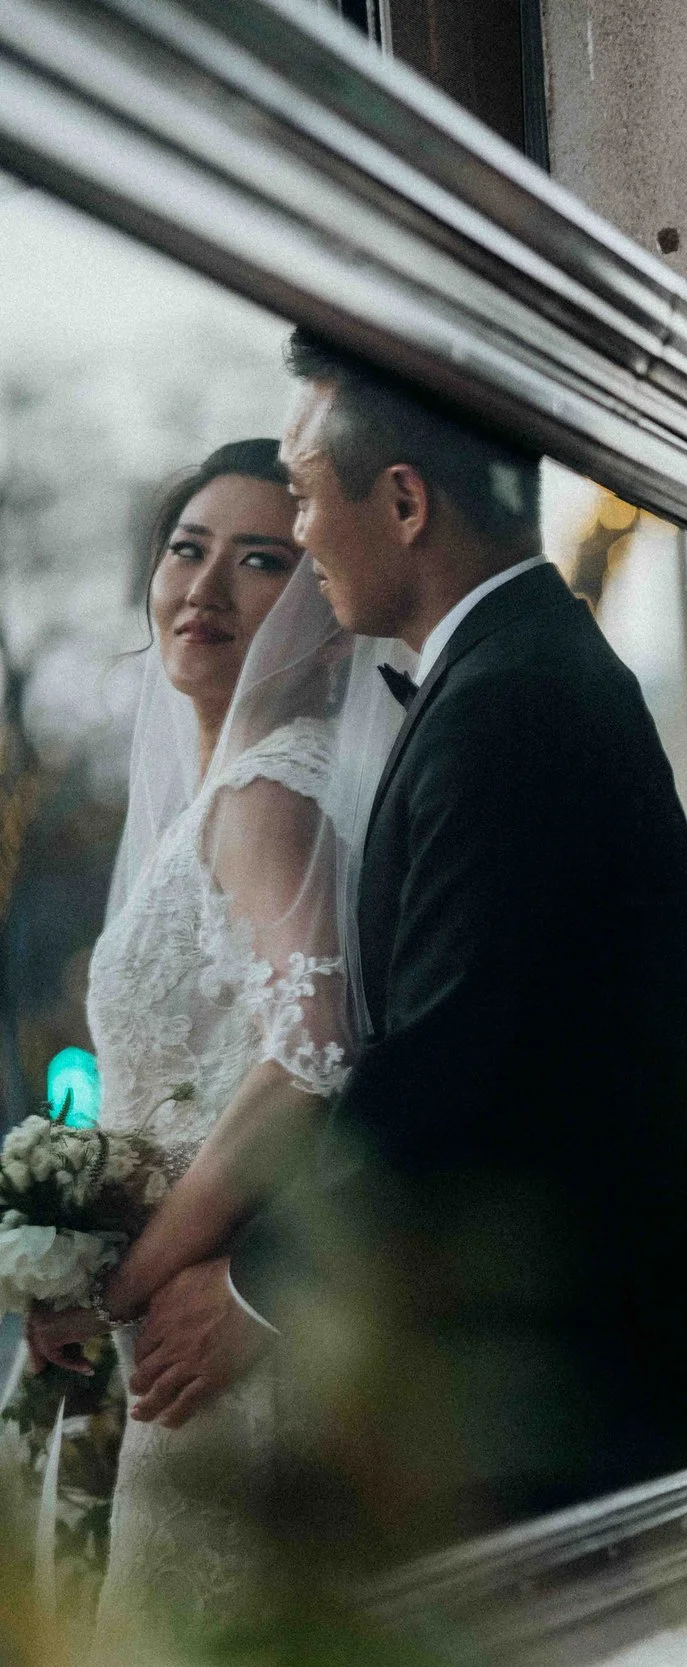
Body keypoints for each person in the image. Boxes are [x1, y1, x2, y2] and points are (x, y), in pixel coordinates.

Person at [123, 335, 687, 1579]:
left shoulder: (512, 704)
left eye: (299, 495)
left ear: (401, 503)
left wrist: (250, 1290)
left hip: (549, 1400)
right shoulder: (513, 678)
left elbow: (454, 1062)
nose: (295, 536)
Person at [0, 439, 395, 1631]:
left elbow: (313, 1052)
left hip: (216, 1333)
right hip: (201, 1319)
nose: (205, 589)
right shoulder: (239, 790)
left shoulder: (267, 790)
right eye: (188, 549)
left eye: (262, 560)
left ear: (324, 608)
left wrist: (137, 1270)